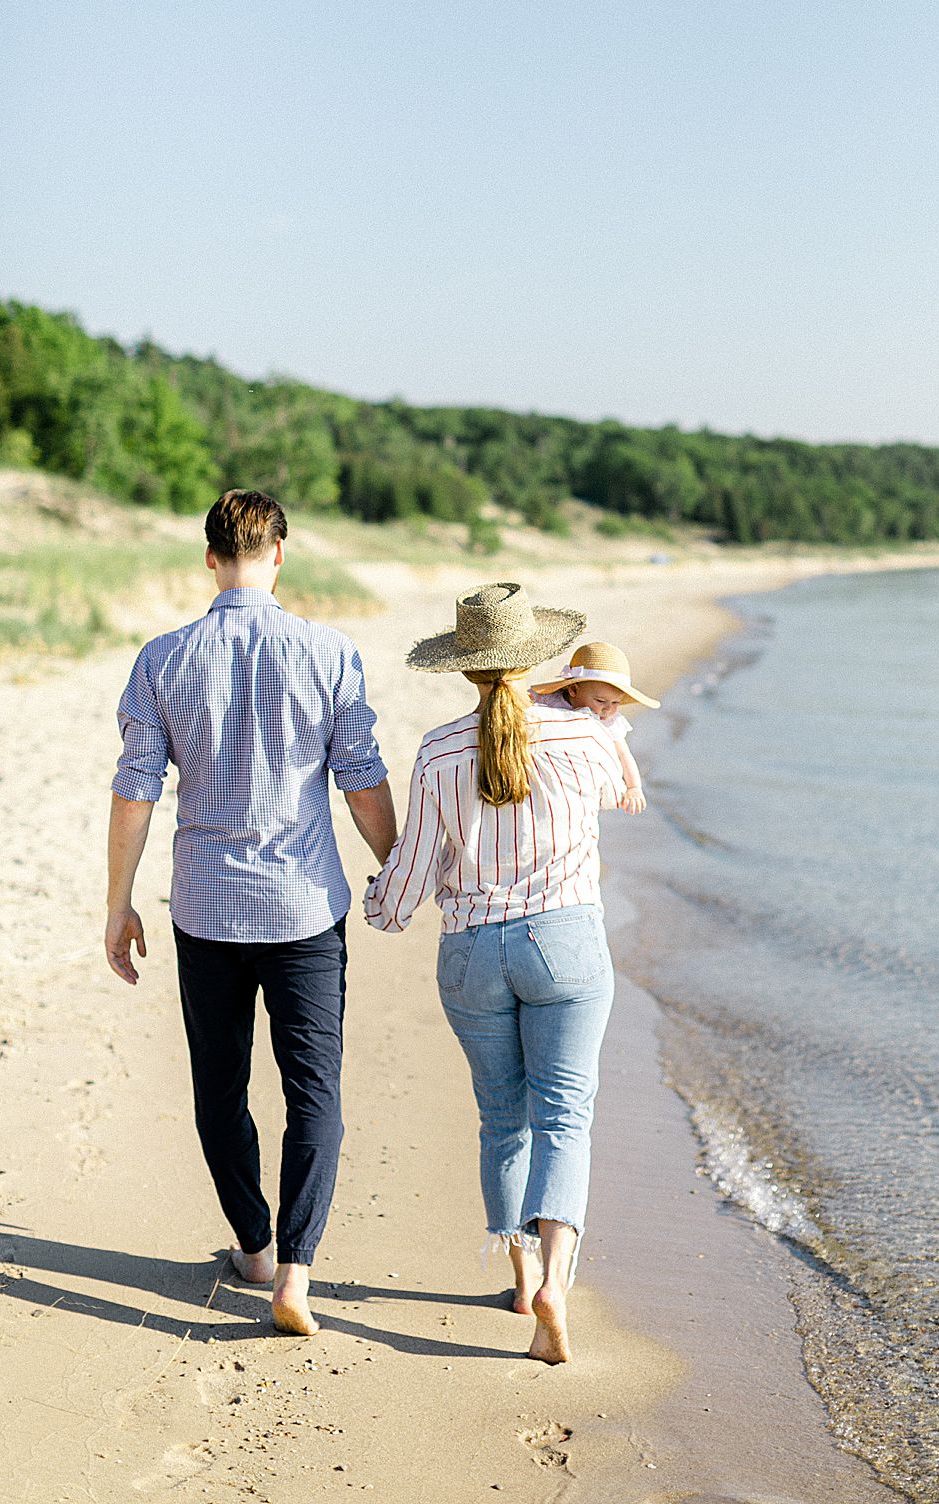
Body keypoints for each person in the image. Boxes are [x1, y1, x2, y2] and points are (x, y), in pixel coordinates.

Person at [105, 489, 397, 1337]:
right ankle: (295, 1277)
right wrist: (399, 867)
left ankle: (256, 1247)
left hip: (205, 908)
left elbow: (135, 793)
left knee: (218, 1089)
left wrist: (119, 904)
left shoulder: (162, 659)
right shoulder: (329, 652)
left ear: (209, 558)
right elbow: (360, 776)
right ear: (280, 553)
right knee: (315, 1093)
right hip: (305, 909)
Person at [363, 582, 626, 1364]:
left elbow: (405, 883)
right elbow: (618, 786)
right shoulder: (582, 737)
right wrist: (578, 709)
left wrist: (381, 905)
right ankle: (555, 1280)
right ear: (536, 656)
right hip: (566, 943)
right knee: (565, 1117)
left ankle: (517, 1277)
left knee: (501, 1116)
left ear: (465, 668)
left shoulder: (441, 751)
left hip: (472, 953)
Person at [528, 639, 659, 813]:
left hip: (584, 780)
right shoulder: (552, 704)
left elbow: (623, 753)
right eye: (600, 701)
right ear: (573, 690)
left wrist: (634, 787)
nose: (608, 708)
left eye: (616, 702)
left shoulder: (607, 721)